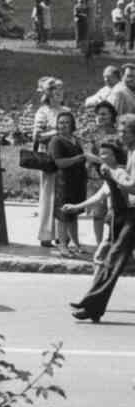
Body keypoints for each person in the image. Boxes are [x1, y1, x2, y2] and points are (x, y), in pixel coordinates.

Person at [67, 128, 135, 323]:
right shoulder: (129, 154)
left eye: (125, 132)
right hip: (128, 215)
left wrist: (114, 173)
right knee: (112, 259)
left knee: (113, 258)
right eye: (120, 131)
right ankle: (92, 306)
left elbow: (132, 186)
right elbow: (104, 193)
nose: (121, 135)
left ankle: (91, 304)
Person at [33, 76, 68, 247]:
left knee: (64, 193)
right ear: (49, 93)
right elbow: (37, 136)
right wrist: (57, 132)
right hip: (48, 156)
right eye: (56, 91)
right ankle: (46, 234)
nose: (59, 94)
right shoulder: (43, 112)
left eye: (61, 91)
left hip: (65, 156)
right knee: (48, 194)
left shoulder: (66, 110)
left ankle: (63, 233)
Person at [49, 111, 89, 256]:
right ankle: (63, 246)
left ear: (72, 124)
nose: (64, 125)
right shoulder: (56, 141)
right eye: (61, 122)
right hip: (64, 182)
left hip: (78, 182)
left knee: (74, 214)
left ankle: (76, 244)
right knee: (63, 215)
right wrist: (77, 158)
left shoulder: (75, 140)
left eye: (66, 122)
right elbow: (59, 162)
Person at [85, 100, 119, 260]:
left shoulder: (119, 133)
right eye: (98, 114)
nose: (101, 117)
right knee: (98, 213)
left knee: (115, 213)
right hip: (96, 177)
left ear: (112, 115)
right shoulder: (92, 133)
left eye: (104, 114)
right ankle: (99, 246)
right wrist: (104, 162)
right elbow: (87, 154)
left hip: (115, 178)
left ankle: (114, 246)